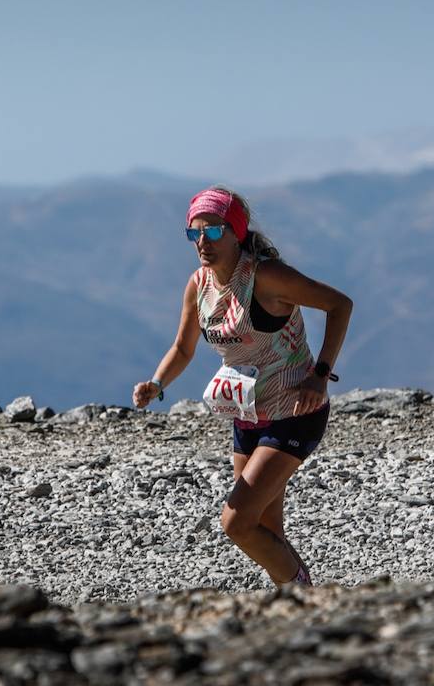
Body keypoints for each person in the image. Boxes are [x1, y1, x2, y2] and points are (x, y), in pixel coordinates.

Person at [132, 186, 353, 588]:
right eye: (194, 233)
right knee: (266, 530)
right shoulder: (199, 285)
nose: (203, 242)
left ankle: (302, 588)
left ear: (236, 232)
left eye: (214, 231)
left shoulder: (267, 278)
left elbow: (340, 305)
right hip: (247, 415)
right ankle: (299, 606)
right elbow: (183, 347)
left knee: (236, 522)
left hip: (294, 414)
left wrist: (320, 375)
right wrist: (156, 383)